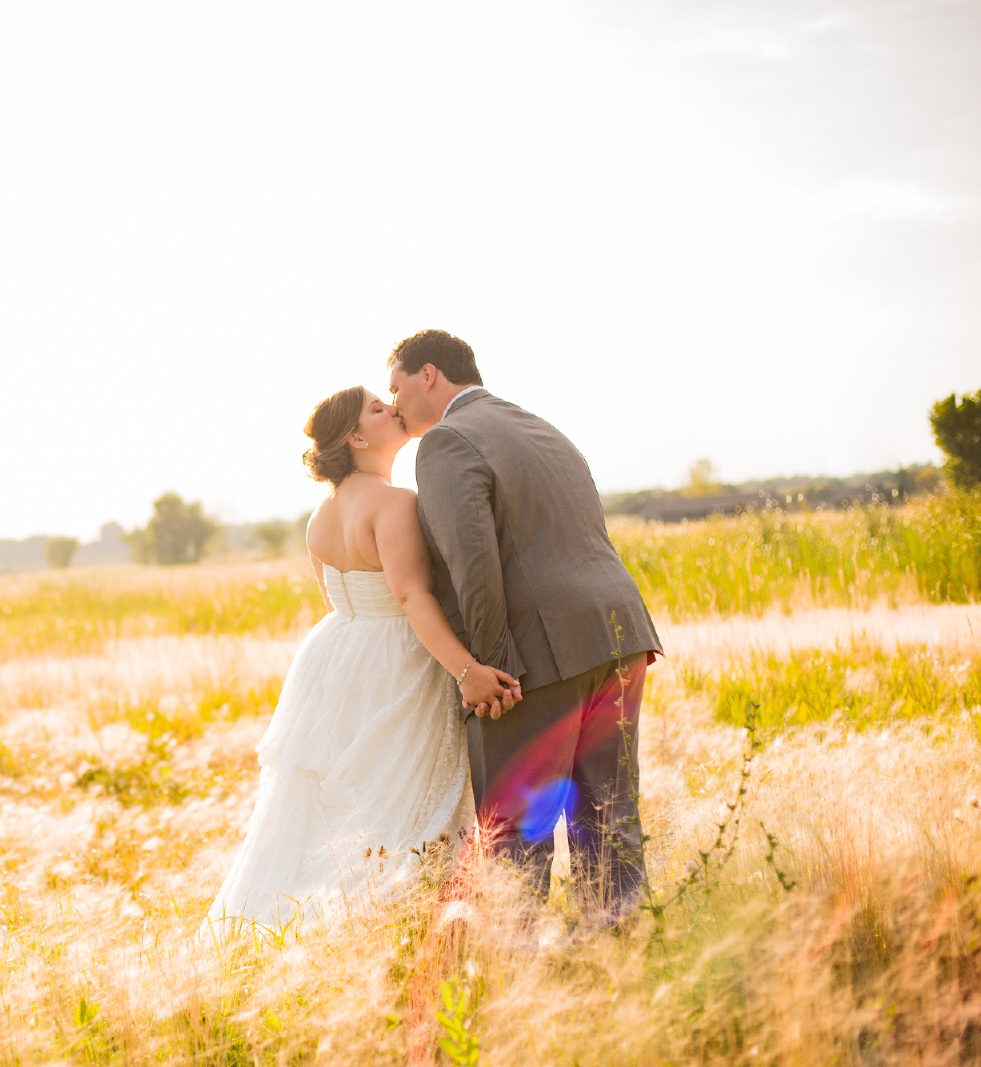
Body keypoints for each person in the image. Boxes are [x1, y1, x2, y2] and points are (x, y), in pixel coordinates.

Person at [204, 386, 521, 930]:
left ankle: (302, 918)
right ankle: (389, 914)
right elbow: (409, 596)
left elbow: (335, 601)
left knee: (336, 797)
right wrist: (465, 670)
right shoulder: (395, 502)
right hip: (397, 656)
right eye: (378, 409)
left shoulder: (320, 517)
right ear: (355, 437)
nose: (392, 409)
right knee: (399, 789)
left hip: (335, 656)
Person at [388, 329, 662, 919]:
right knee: (610, 812)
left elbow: (474, 567)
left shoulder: (445, 443)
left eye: (397, 386)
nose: (394, 404)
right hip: (619, 637)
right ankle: (618, 953)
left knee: (514, 834)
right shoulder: (541, 427)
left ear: (428, 375)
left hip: (537, 657)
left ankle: (519, 979)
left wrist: (490, 671)